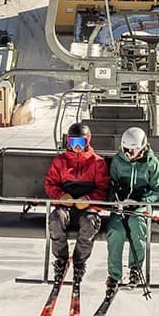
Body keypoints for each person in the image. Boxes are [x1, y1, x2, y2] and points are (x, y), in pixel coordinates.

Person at [43, 122, 109, 284]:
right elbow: (49, 184)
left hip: (86, 208)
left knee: (89, 223)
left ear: (88, 142)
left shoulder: (97, 162)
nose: (77, 147)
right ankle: (61, 259)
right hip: (65, 206)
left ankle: (79, 261)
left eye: (81, 143)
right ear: (68, 142)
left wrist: (88, 200)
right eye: (74, 143)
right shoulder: (60, 162)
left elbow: (103, 188)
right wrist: (61, 196)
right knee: (55, 220)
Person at [105, 126, 159, 294]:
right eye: (125, 150)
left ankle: (135, 269)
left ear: (142, 147)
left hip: (139, 206)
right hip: (121, 206)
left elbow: (157, 189)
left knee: (137, 228)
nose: (128, 154)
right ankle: (114, 275)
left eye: (133, 150)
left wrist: (142, 201)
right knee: (115, 231)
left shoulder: (151, 163)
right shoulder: (118, 161)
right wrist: (115, 200)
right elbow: (111, 185)